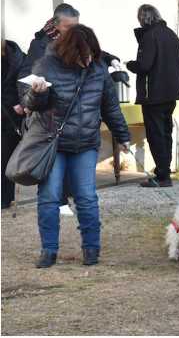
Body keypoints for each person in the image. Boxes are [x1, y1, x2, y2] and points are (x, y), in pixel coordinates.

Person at [22, 24, 131, 268]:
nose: (89, 60)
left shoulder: (98, 68)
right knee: (49, 197)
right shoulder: (45, 66)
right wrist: (37, 94)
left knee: (86, 197)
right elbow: (29, 104)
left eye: (92, 54)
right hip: (54, 143)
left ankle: (91, 248)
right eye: (84, 56)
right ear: (70, 52)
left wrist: (122, 135)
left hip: (85, 143)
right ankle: (48, 251)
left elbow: (110, 106)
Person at [18, 3, 123, 216]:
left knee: (83, 188)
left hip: (80, 121)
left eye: (77, 25)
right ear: (56, 26)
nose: (74, 30)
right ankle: (59, 201)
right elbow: (27, 73)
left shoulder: (84, 47)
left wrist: (111, 59)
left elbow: (94, 54)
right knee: (51, 170)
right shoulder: (40, 45)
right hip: (53, 120)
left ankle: (69, 205)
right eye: (69, 26)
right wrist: (28, 99)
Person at [127, 4, 179, 188]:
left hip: (154, 94)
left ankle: (163, 176)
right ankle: (164, 171)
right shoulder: (170, 34)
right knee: (165, 134)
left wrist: (129, 64)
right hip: (171, 93)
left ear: (143, 19)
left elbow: (144, 65)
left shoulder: (149, 36)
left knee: (156, 135)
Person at [1, 38, 25, 210]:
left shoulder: (19, 57)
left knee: (5, 158)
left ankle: (3, 199)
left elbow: (26, 83)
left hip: (10, 116)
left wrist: (22, 102)